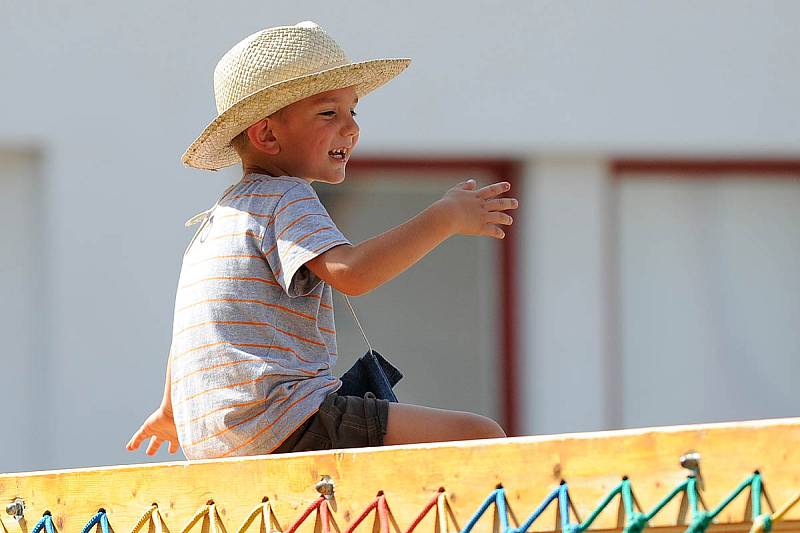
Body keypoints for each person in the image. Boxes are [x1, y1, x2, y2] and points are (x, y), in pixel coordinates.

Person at [127, 21, 517, 460]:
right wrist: (443, 217)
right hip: (284, 417)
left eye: (354, 112)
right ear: (268, 134)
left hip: (216, 439)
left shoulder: (220, 219)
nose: (351, 129)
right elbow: (351, 272)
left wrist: (170, 409)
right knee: (481, 437)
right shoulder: (286, 195)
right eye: (329, 113)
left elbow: (197, 327)